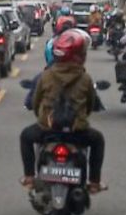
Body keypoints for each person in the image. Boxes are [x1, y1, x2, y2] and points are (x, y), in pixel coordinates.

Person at [20, 30, 107, 194]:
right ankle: (94, 182)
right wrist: (81, 120)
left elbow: (36, 101)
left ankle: (30, 177)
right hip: (77, 132)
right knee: (98, 140)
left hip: (48, 130)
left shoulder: (45, 76)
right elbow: (91, 104)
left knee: (26, 136)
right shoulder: (85, 78)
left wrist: (43, 119)